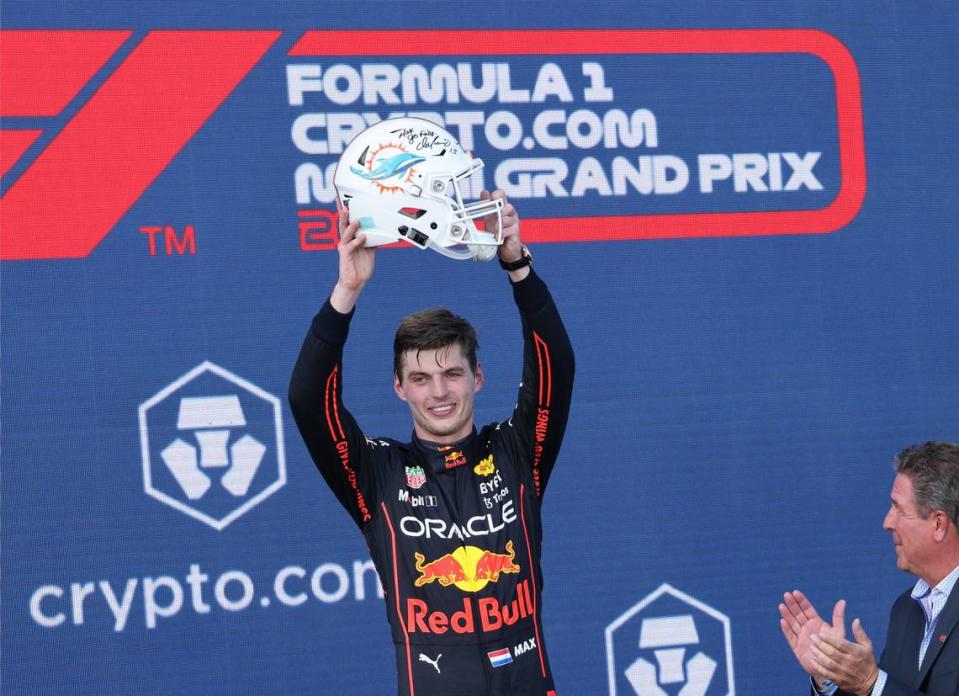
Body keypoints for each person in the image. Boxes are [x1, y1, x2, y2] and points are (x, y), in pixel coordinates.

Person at [288, 190, 573, 696]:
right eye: (420, 379)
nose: (439, 392)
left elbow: (558, 367)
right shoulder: (377, 474)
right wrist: (346, 290)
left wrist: (518, 265)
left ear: (478, 377)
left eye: (452, 374)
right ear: (399, 388)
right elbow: (309, 402)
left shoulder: (516, 453)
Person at [779, 441, 959, 695]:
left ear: (939, 524)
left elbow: (879, 689)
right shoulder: (906, 609)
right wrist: (830, 675)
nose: (887, 522)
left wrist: (871, 682)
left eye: (898, 508)